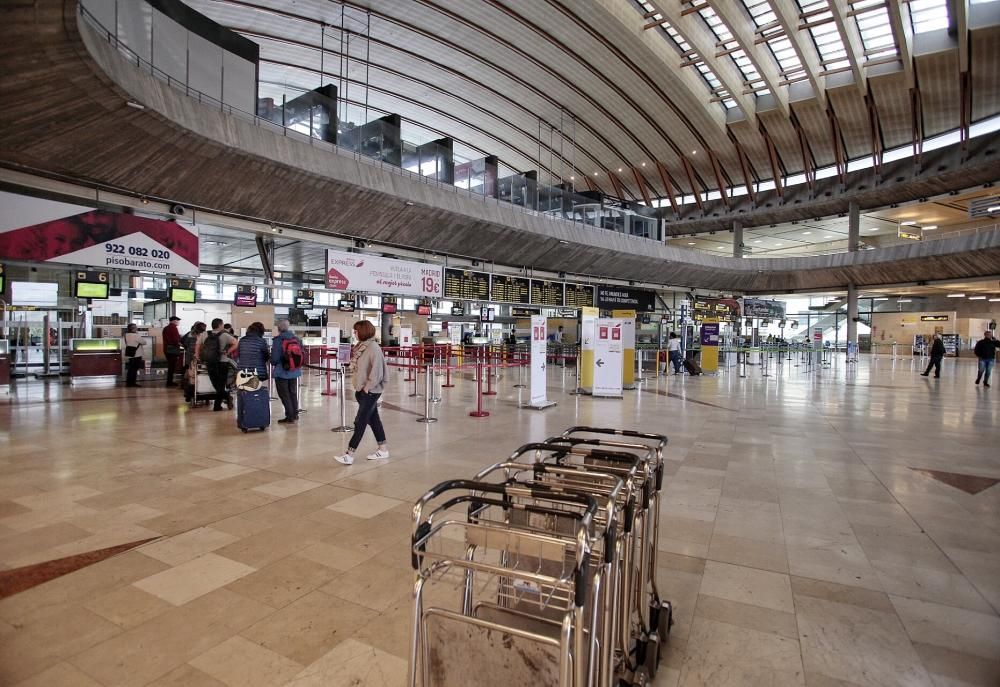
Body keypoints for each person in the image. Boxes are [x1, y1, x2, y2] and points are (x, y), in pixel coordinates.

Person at [335, 320, 389, 465]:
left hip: (370, 391)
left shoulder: (373, 348)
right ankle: (383, 449)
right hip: (361, 389)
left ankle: (349, 454)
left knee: (360, 421)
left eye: (356, 331)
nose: (354, 333)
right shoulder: (361, 347)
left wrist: (367, 387)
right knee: (374, 420)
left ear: (363, 331)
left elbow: (377, 372)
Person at [197, 318, 237, 411]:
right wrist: (227, 351)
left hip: (210, 361)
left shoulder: (204, 334)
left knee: (215, 383)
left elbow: (197, 345)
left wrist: (197, 355)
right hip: (222, 361)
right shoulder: (225, 335)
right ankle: (223, 399)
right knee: (221, 384)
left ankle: (220, 403)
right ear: (220, 325)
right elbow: (236, 343)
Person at [271, 319, 303, 423]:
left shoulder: (278, 340)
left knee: (284, 394)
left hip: (282, 371)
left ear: (278, 328)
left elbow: (275, 359)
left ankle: (290, 416)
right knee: (292, 393)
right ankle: (295, 414)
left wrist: (273, 362)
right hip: (294, 371)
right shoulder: (296, 339)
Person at [181, 321, 206, 402]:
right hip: (199, 358)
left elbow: (182, 342)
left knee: (189, 376)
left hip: (190, 357)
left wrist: (188, 348)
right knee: (199, 375)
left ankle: (188, 393)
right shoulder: (204, 336)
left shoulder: (189, 334)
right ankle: (199, 391)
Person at [163, 316, 183, 387]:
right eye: (178, 321)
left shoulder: (166, 328)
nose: (178, 322)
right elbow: (175, 339)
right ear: (174, 321)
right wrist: (180, 343)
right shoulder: (173, 328)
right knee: (172, 367)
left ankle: (169, 381)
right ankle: (169, 382)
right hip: (172, 350)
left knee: (170, 366)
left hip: (167, 349)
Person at [122, 323, 144, 388]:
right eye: (135, 327)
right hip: (137, 354)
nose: (136, 328)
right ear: (133, 328)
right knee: (134, 369)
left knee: (130, 369)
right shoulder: (136, 335)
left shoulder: (126, 335)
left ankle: (128, 383)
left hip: (130, 354)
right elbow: (144, 342)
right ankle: (133, 383)